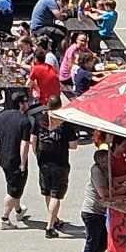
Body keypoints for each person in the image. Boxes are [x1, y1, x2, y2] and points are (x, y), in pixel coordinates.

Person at [33, 98, 74, 237]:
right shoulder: (65, 123)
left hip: (43, 162)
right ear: (60, 106)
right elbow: (74, 145)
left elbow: (33, 140)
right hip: (60, 163)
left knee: (47, 192)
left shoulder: (39, 119)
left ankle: (54, 219)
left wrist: (37, 155)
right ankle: (50, 227)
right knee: (56, 194)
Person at [0, 94, 34, 230]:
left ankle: (18, 211)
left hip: (4, 157)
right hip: (15, 160)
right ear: (21, 104)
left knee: (13, 185)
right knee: (13, 190)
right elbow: (24, 144)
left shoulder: (2, 115)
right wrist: (23, 163)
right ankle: (4, 218)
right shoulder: (25, 121)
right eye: (26, 102)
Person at [79, 140, 115, 252]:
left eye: (109, 160)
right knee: (92, 241)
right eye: (105, 161)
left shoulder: (105, 170)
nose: (107, 163)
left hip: (100, 211)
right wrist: (120, 190)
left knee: (103, 241)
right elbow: (103, 193)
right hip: (92, 212)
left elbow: (113, 183)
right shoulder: (96, 171)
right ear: (98, 160)